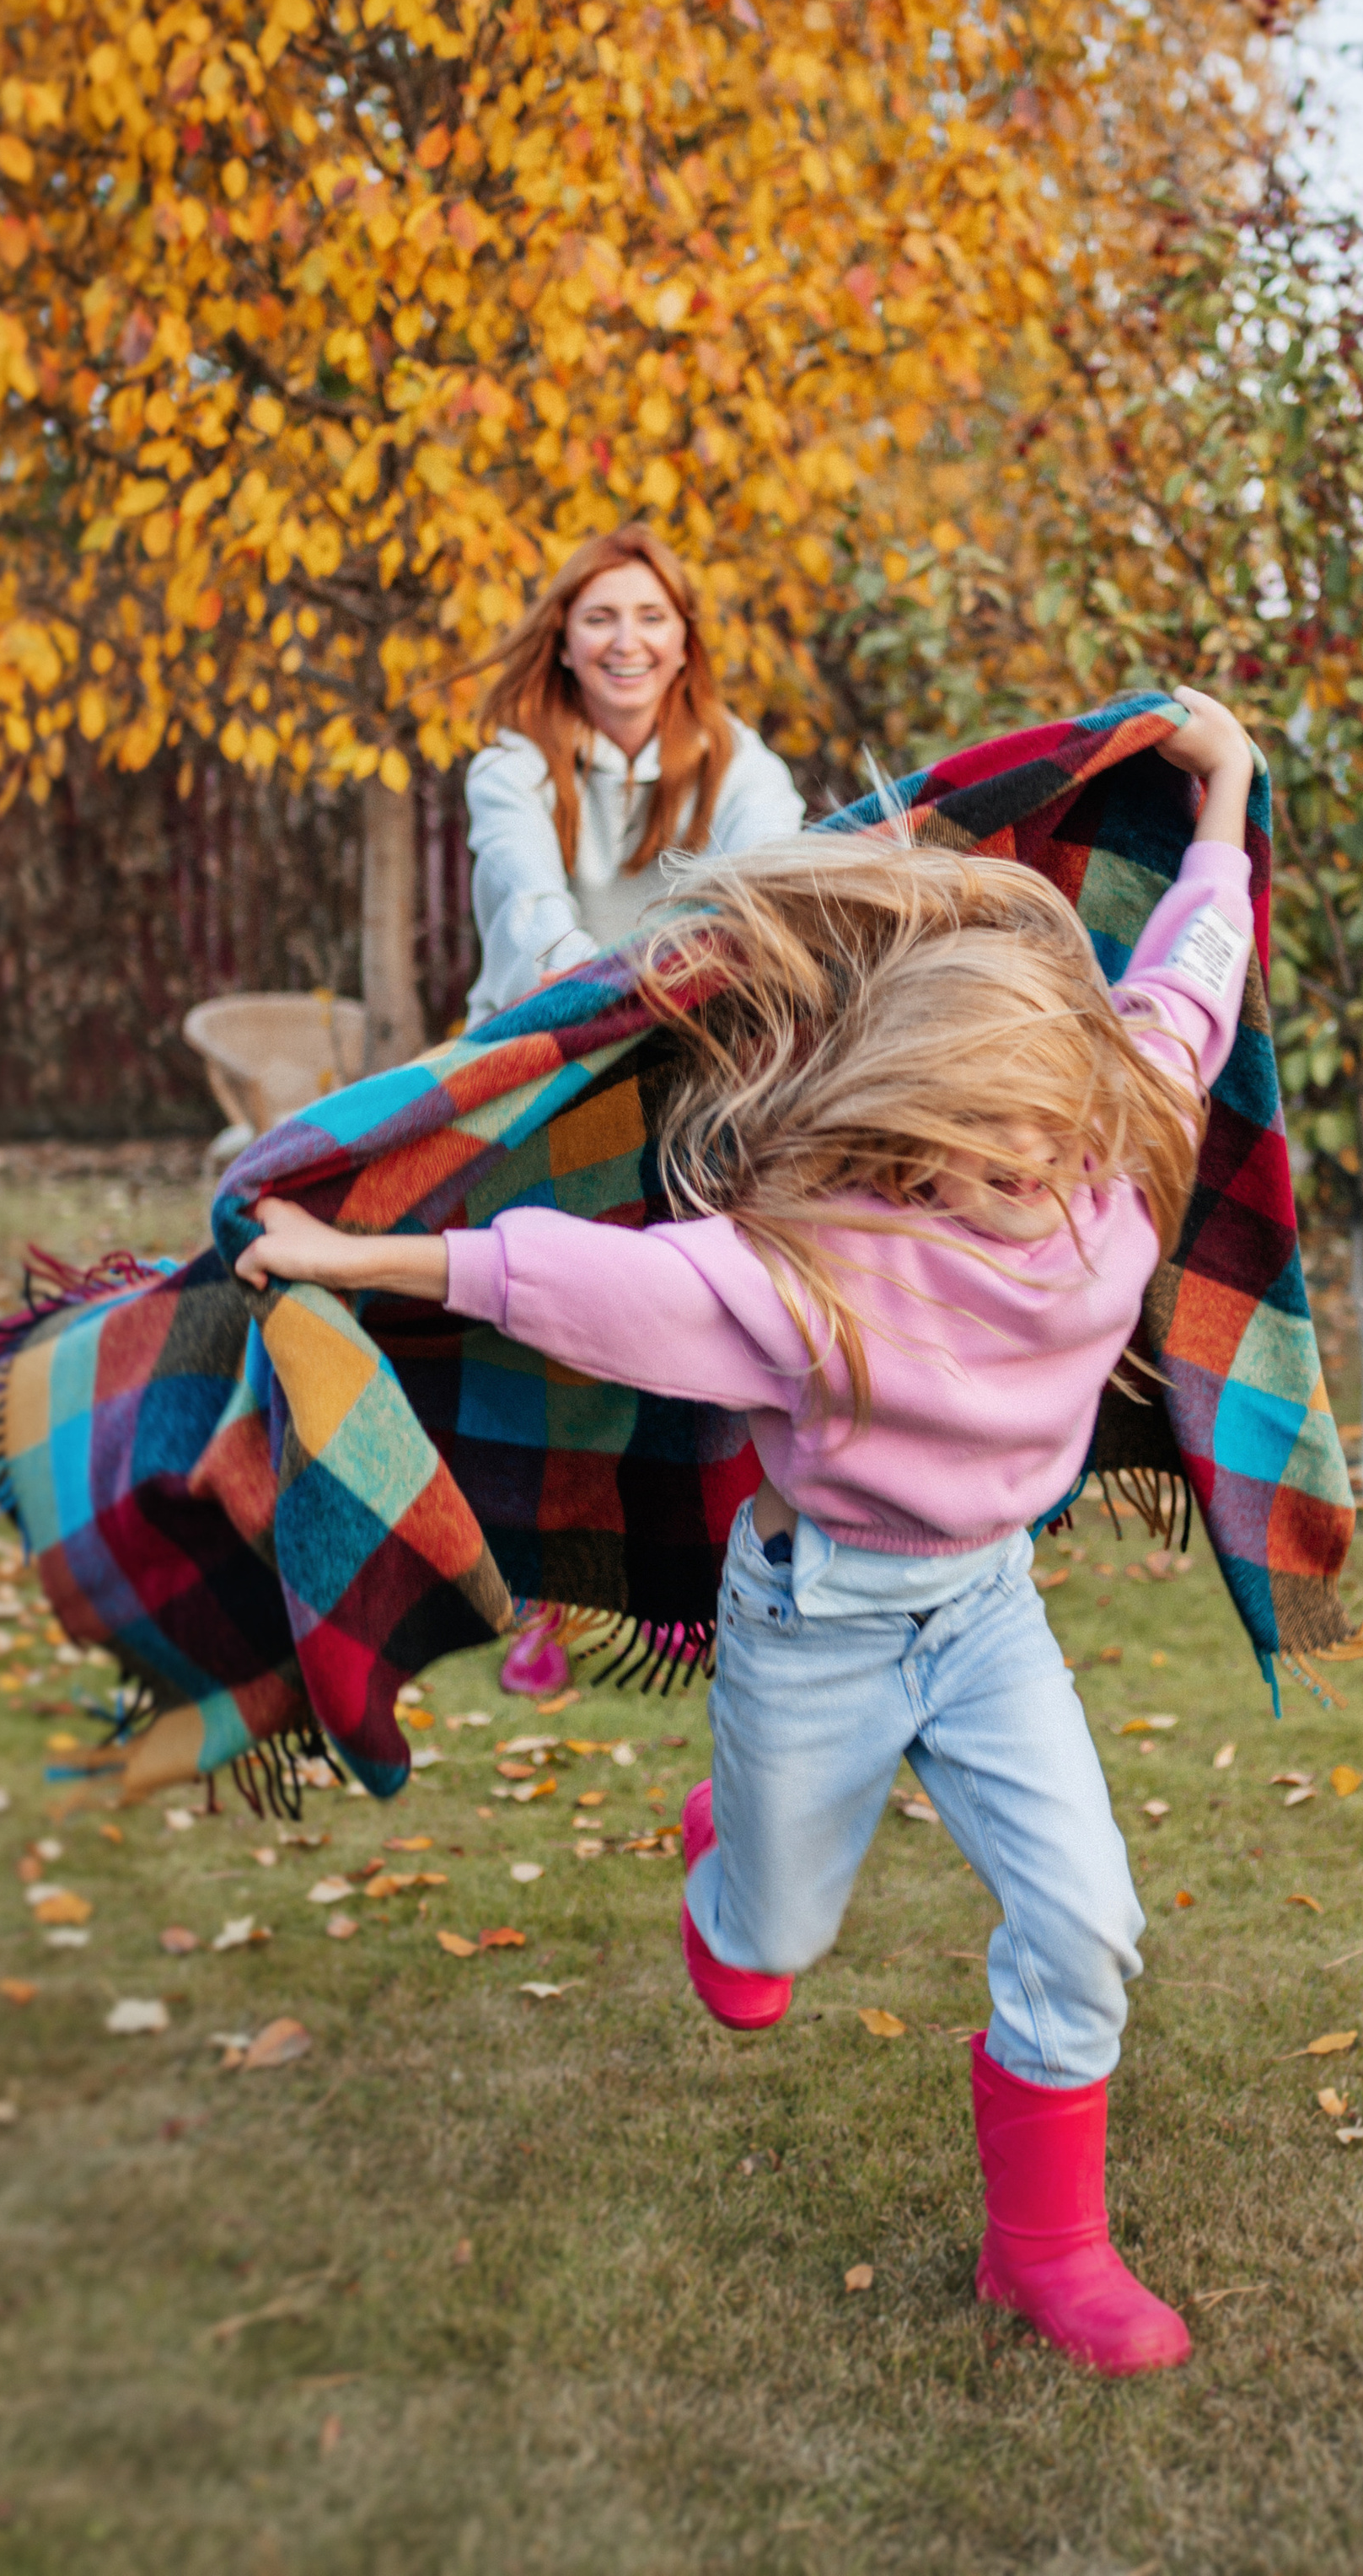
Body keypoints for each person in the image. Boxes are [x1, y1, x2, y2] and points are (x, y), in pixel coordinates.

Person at [235, 685, 1258, 2378]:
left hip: (988, 1615)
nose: (1055, 1156)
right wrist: (345, 1264)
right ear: (925, 1127)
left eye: (1064, 1119)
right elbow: (566, 1281)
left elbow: (1182, 999)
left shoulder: (1110, 1162)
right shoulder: (805, 1276)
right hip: (822, 1621)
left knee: (1085, 1920)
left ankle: (1047, 2253)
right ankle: (732, 1869)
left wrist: (1219, 802)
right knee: (764, 1952)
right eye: (1006, 1136)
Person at [461, 524, 804, 1023]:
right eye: (599, 619)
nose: (627, 643)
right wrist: (603, 996)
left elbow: (769, 884)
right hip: (538, 1037)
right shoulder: (510, 772)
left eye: (652, 618)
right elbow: (531, 916)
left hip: (693, 1032)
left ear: (685, 642)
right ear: (563, 645)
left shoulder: (739, 764)